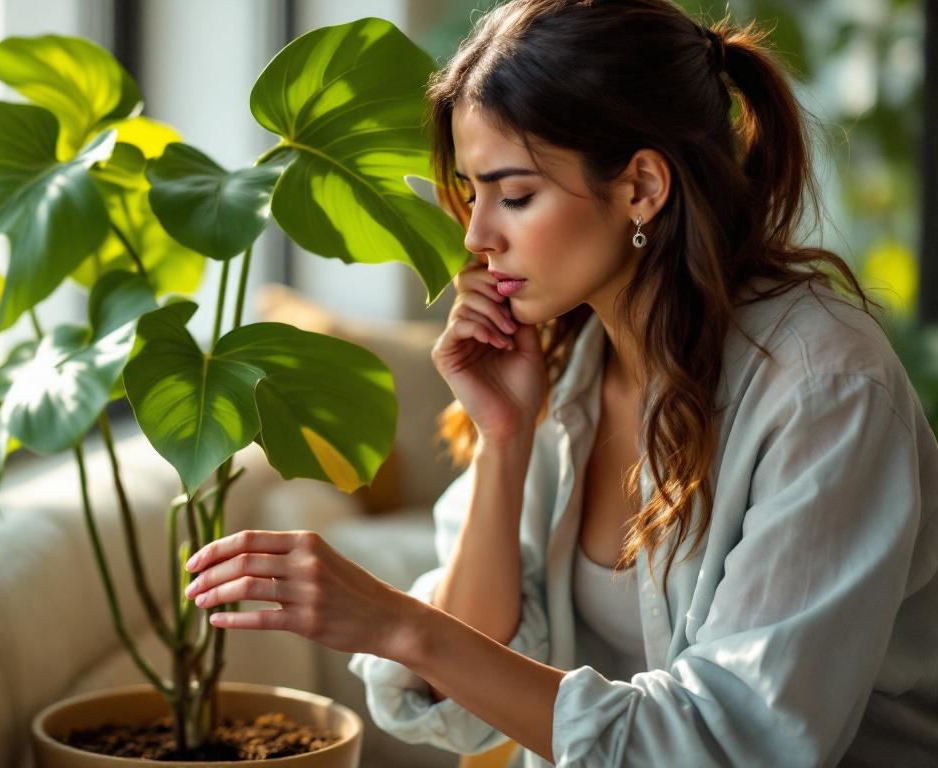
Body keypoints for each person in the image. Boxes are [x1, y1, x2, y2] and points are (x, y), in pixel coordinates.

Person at [180, 0, 938, 764]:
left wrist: (396, 623)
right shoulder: (571, 364)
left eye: (513, 196)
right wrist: (502, 443)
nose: (477, 236)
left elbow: (728, 747)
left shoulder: (825, 390)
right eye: (473, 195)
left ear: (641, 186)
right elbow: (464, 709)